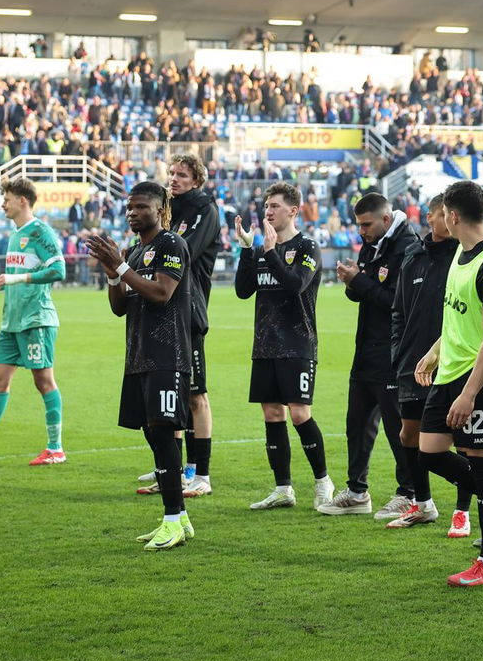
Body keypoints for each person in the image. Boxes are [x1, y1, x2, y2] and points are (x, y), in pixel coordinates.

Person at [413, 180, 483, 585]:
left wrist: (468, 394)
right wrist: (435, 350)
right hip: (450, 369)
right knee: (429, 452)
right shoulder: (462, 253)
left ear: (453, 215)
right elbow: (459, 316)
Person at [87, 183, 195, 550]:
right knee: (153, 434)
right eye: (129, 207)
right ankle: (180, 519)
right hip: (139, 356)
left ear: (160, 208)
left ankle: (171, 520)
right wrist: (113, 273)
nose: (133, 213)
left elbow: (162, 293)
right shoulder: (134, 252)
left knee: (163, 434)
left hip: (168, 355)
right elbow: (120, 307)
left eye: (141, 207)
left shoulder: (171, 244)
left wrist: (120, 266)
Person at [0, 178, 69, 468]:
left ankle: (55, 448)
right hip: (11, 322)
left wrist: (16, 278)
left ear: (22, 200)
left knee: (43, 381)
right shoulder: (14, 235)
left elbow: (59, 270)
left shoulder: (40, 232)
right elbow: (12, 276)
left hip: (36, 320)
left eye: (6, 199)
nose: (2, 204)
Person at [234, 181, 332, 510]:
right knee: (272, 414)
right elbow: (243, 291)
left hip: (297, 343)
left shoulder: (307, 247)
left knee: (300, 413)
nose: (268, 212)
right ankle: (283, 489)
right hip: (265, 345)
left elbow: (295, 285)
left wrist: (270, 252)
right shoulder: (263, 248)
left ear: (293, 210)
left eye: (274, 206)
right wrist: (247, 249)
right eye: (266, 207)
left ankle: (323, 482)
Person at [322, 193, 420, 516]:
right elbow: (365, 293)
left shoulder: (407, 248)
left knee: (397, 427)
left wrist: (360, 282)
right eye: (359, 225)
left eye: (366, 224)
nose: (361, 231)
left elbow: (397, 303)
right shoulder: (372, 244)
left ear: (386, 219)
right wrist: (353, 283)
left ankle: (410, 493)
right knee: (357, 423)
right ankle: (356, 491)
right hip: (366, 348)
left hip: (393, 352)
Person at [136, 153, 222, 496]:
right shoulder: (168, 210)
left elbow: (182, 252)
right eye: (171, 173)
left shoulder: (205, 211)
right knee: (171, 394)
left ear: (196, 180)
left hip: (189, 312)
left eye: (182, 175)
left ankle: (201, 474)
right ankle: (173, 472)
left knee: (196, 396)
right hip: (164, 312)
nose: (174, 178)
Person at [383, 194, 454, 529]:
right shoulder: (413, 255)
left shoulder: (465, 255)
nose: (449, 221)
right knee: (409, 435)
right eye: (443, 214)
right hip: (413, 362)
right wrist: (400, 352)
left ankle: (463, 511)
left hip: (452, 362)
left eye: (452, 215)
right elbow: (398, 310)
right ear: (430, 217)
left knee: (460, 439)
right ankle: (422, 503)